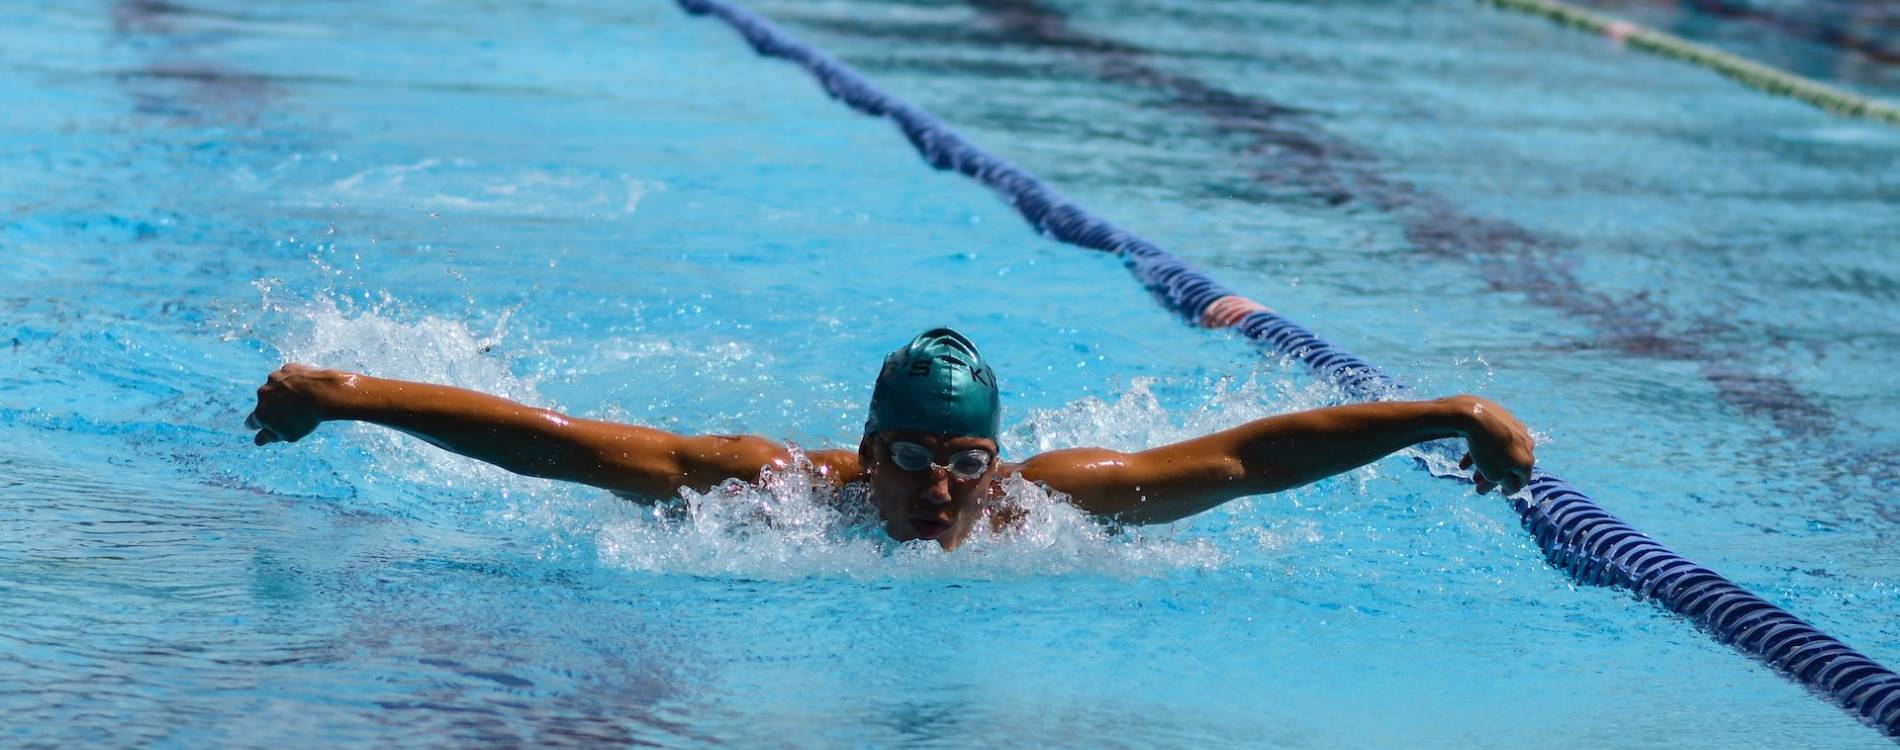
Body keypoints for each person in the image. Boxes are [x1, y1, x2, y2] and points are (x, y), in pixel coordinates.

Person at [245, 327, 1535, 550]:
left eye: (964, 462)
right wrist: (351, 394)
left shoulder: (1045, 506)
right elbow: (559, 443)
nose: (940, 489)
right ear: (868, 454)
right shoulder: (771, 494)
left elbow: (1254, 456)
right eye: (912, 459)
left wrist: (1447, 410)